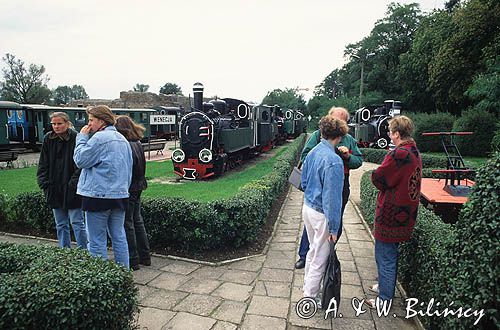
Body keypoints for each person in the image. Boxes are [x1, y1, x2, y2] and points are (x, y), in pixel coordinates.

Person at [295, 107, 363, 269]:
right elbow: (305, 156)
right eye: (335, 120)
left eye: (342, 121)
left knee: (335, 220)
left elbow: (358, 161)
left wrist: (347, 156)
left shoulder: (349, 139)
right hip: (319, 181)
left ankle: (327, 252)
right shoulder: (318, 136)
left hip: (340, 182)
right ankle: (304, 255)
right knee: (314, 219)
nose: (338, 124)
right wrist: (327, 156)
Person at [366, 115, 422, 308]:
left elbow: (379, 178)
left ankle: (384, 300)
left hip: (391, 213)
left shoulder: (399, 154)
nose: (389, 135)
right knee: (390, 253)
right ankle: (384, 286)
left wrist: (375, 173)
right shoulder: (413, 150)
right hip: (405, 213)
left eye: (390, 132)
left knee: (385, 256)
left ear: (397, 133)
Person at [73, 105, 132, 269]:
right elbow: (128, 168)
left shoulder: (98, 139)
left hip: (98, 196)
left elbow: (80, 160)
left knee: (97, 240)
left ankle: (100, 277)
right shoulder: (122, 139)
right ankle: (123, 275)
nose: (89, 124)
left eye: (91, 120)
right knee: (119, 236)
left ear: (101, 120)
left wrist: (82, 138)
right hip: (119, 195)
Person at [301, 116, 347, 302]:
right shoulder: (334, 161)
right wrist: (334, 228)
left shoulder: (313, 152)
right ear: (340, 136)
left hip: (308, 208)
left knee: (313, 251)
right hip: (322, 214)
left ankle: (308, 288)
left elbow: (303, 181)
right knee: (320, 257)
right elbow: (332, 199)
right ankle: (309, 297)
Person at [37, 112, 87, 249]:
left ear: (67, 123)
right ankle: (64, 251)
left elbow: (81, 165)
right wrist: (44, 183)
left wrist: (73, 184)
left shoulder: (76, 138)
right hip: (54, 188)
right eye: (54, 124)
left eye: (59, 123)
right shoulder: (48, 138)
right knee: (60, 224)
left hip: (72, 188)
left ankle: (83, 252)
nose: (56, 126)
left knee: (77, 222)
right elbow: (43, 163)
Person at [115, 115, 151, 271]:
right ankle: (145, 256)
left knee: (128, 223)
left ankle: (133, 259)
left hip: (129, 187)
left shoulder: (125, 145)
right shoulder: (136, 142)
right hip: (138, 185)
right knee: (137, 221)